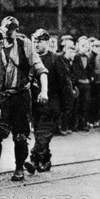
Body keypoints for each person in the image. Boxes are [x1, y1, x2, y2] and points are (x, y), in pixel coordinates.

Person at [0, 16, 47, 184]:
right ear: (1, 31)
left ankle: (19, 168)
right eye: (6, 31)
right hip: (3, 97)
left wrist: (44, 91)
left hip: (21, 97)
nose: (8, 34)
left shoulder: (26, 45)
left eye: (12, 31)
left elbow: (40, 69)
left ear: (16, 31)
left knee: (20, 136)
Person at [25, 29, 73, 174]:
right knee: (41, 133)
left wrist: (66, 106)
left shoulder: (55, 59)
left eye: (40, 41)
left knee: (42, 134)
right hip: (35, 105)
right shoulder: (30, 59)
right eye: (34, 41)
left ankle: (33, 159)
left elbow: (65, 84)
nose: (37, 44)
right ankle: (44, 161)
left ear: (47, 42)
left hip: (51, 104)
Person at [72, 36, 93, 131]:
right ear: (78, 46)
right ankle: (76, 124)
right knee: (77, 104)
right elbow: (74, 71)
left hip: (86, 83)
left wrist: (90, 78)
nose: (85, 48)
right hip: (79, 83)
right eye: (83, 45)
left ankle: (83, 123)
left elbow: (89, 70)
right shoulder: (76, 57)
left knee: (86, 104)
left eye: (86, 46)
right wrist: (76, 82)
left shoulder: (88, 57)